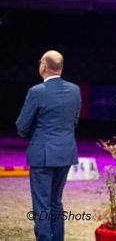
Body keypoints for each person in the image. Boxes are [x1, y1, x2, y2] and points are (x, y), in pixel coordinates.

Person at [16, 50, 81, 241]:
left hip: (42, 155)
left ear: (44, 66)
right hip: (65, 153)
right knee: (55, 202)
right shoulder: (75, 90)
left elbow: (22, 125)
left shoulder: (36, 92)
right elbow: (73, 121)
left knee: (42, 204)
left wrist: (35, 137)